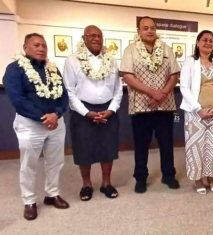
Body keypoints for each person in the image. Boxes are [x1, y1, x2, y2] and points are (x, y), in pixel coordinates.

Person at [3, 33, 70, 221]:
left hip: (56, 123)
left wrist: (56, 114)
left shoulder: (53, 69)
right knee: (29, 164)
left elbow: (63, 96)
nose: (41, 48)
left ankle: (52, 195)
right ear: (25, 48)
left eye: (44, 45)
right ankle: (29, 201)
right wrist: (43, 118)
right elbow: (18, 100)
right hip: (30, 124)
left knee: (55, 161)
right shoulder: (14, 69)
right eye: (36, 45)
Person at [120, 16, 180, 193]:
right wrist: (152, 92)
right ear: (138, 31)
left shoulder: (167, 50)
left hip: (165, 105)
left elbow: (174, 74)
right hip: (141, 107)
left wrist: (162, 94)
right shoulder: (130, 50)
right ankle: (140, 178)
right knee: (141, 145)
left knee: (167, 143)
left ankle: (168, 175)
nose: (149, 30)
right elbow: (127, 76)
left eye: (152, 27)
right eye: (145, 28)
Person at [63, 25, 123, 201]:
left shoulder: (111, 60)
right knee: (84, 149)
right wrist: (86, 112)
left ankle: (106, 183)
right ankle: (86, 184)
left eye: (99, 36)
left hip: (108, 110)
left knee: (108, 148)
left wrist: (111, 110)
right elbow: (70, 91)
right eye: (92, 35)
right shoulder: (73, 60)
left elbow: (118, 89)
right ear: (84, 38)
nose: (96, 38)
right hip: (82, 111)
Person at [180, 30, 213, 194]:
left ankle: (212, 178)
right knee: (196, 147)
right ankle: (198, 180)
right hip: (196, 114)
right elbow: (184, 87)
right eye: (204, 40)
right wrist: (198, 109)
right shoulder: (190, 62)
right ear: (197, 42)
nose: (208, 43)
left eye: (211, 40)